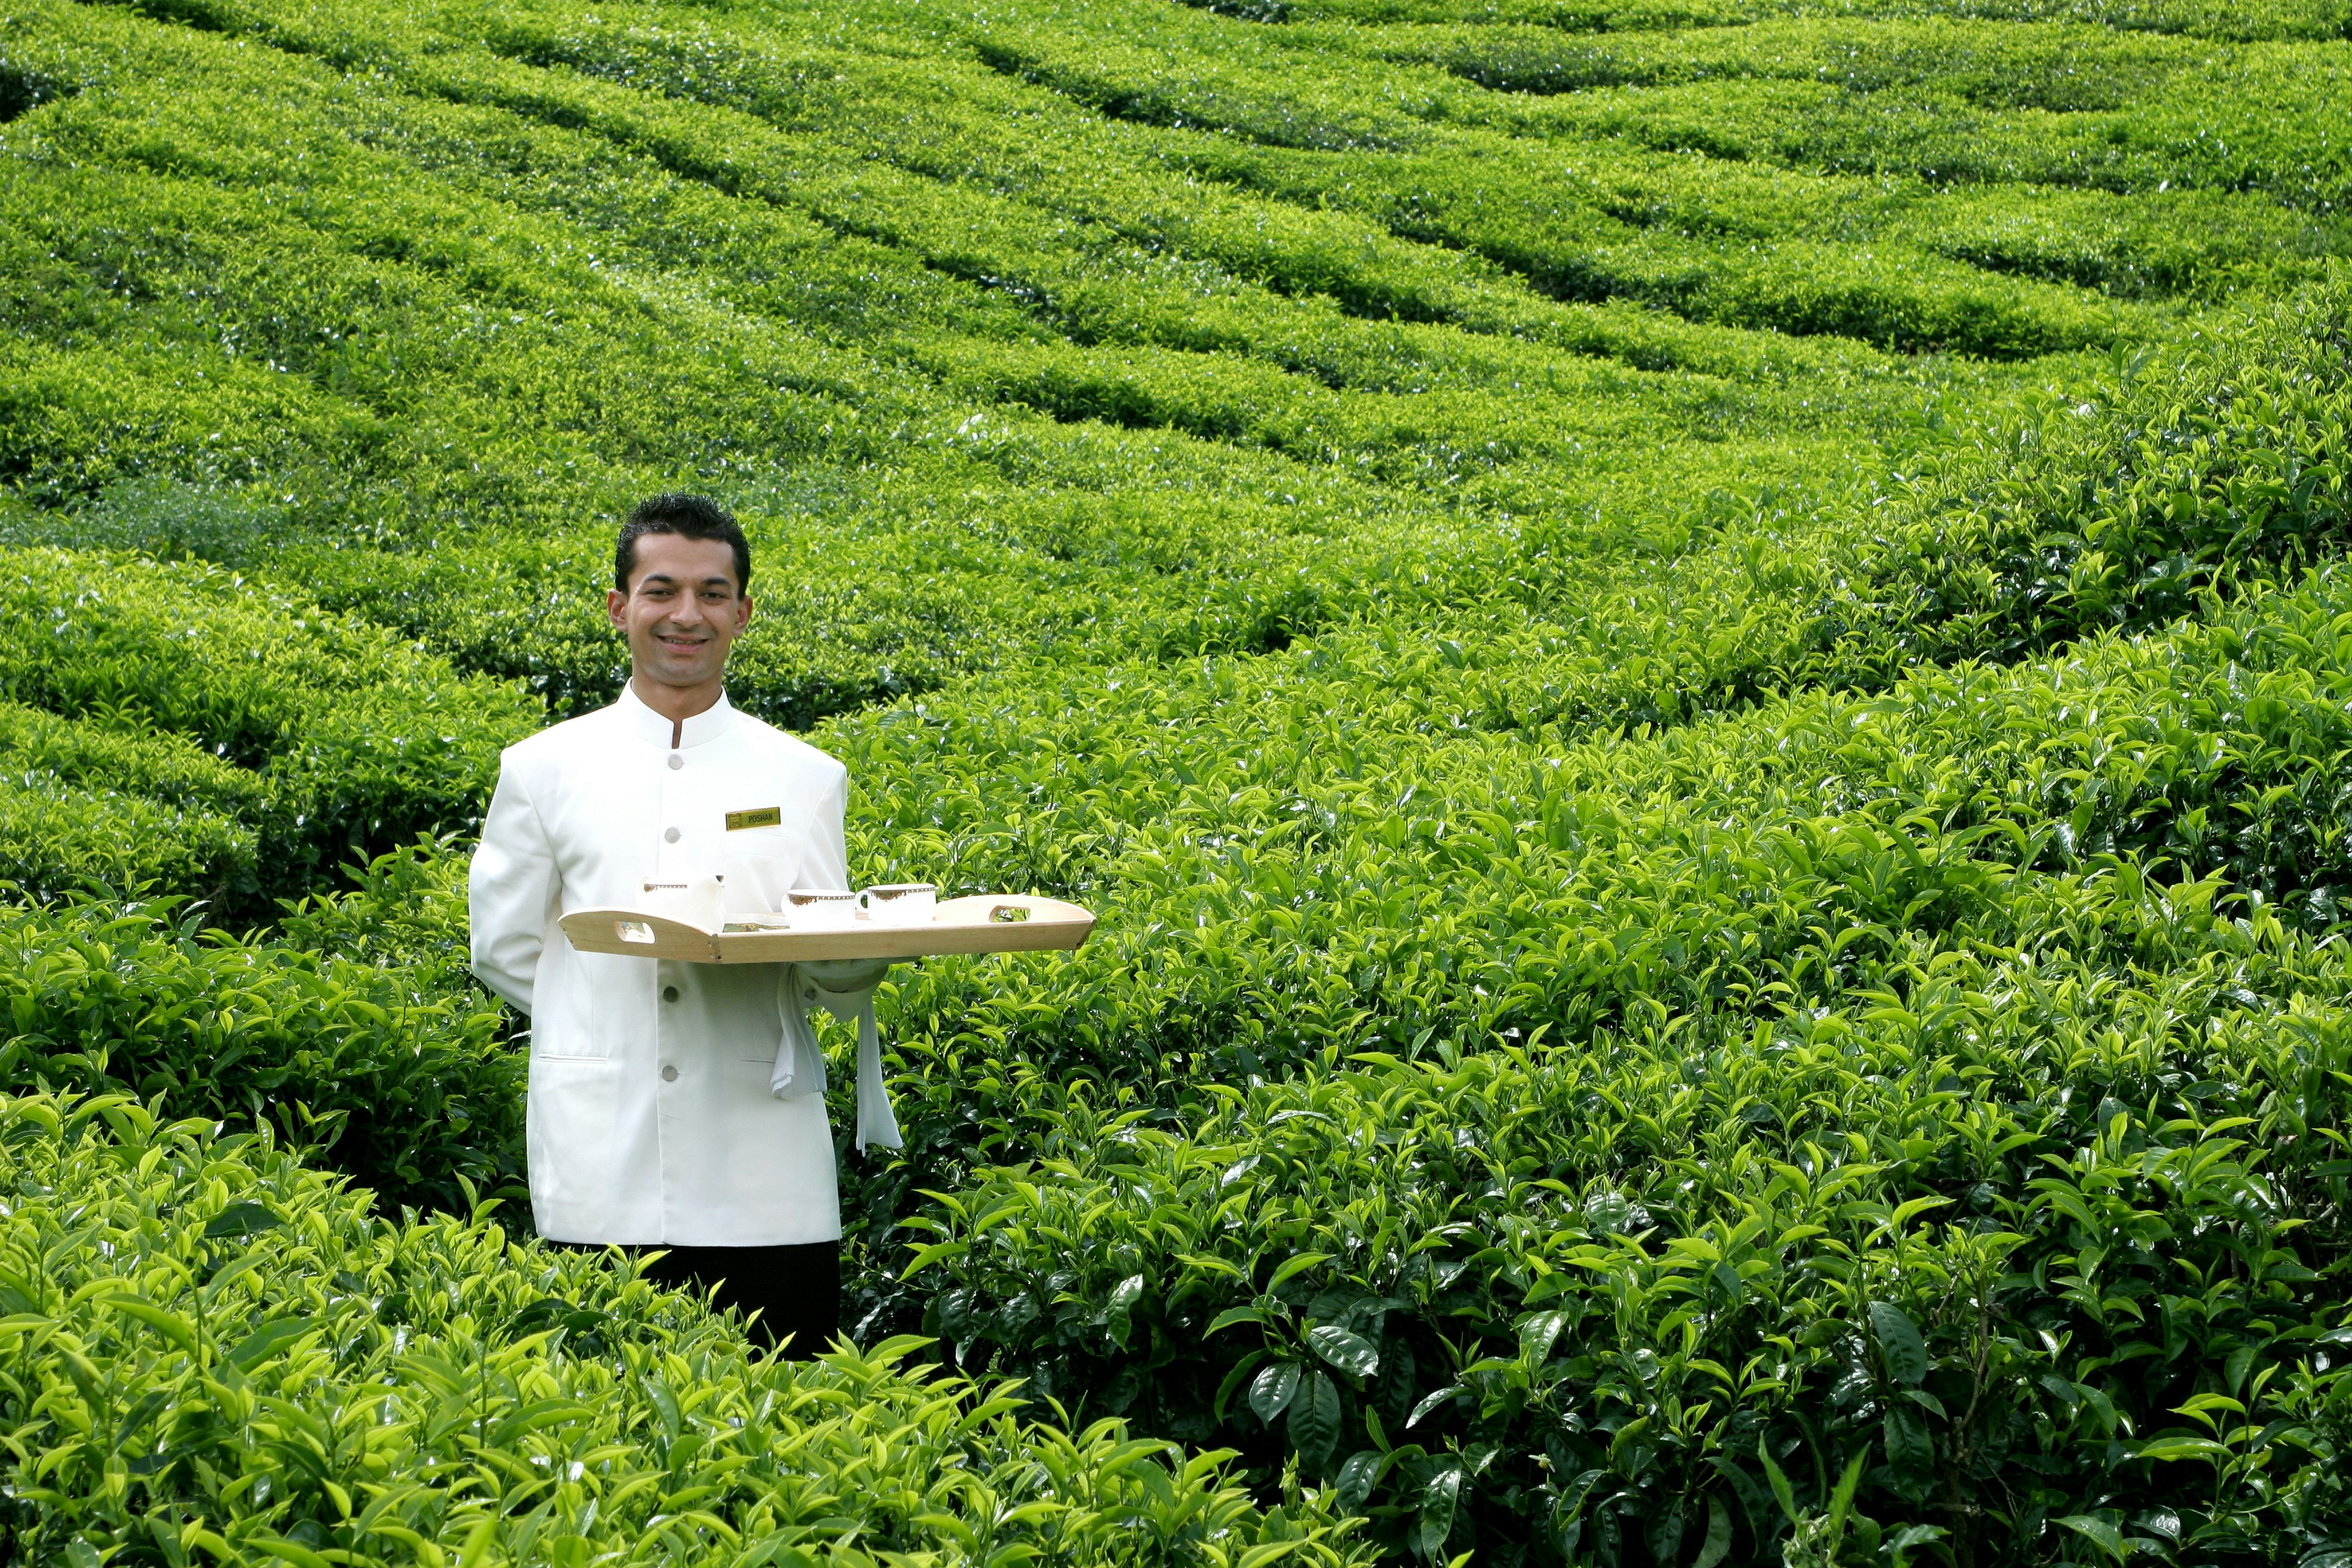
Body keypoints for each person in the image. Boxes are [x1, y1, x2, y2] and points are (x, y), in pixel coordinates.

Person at [469, 493, 897, 1354]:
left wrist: (859, 963)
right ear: (620, 608)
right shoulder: (543, 769)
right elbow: (507, 948)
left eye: (712, 592)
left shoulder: (806, 775)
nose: (686, 615)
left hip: (763, 1160)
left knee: (786, 1417)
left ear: (743, 611)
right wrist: (601, 1020)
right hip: (601, 1154)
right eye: (661, 590)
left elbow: (823, 954)